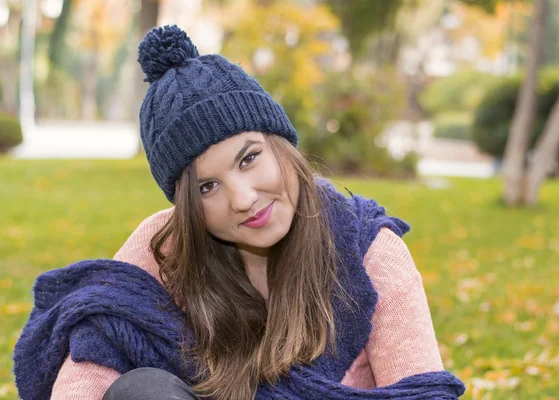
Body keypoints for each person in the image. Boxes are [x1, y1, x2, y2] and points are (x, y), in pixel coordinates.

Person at [13, 25, 465, 400]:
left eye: (249, 158)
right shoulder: (165, 246)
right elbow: (91, 363)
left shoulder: (367, 251)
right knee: (142, 390)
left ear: (281, 146)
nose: (243, 198)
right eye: (208, 187)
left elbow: (422, 390)